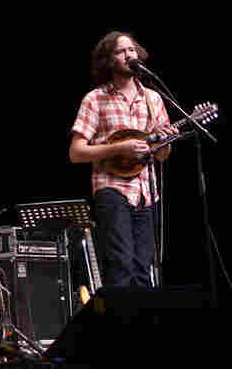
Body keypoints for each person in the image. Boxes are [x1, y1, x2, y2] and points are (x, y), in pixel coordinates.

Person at [69, 31, 176, 288]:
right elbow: (76, 152)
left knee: (144, 269)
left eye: (131, 50)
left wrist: (163, 141)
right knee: (121, 265)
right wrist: (120, 148)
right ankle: (118, 326)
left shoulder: (153, 99)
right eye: (120, 51)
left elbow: (162, 155)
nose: (128, 55)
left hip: (146, 193)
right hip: (112, 188)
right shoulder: (95, 99)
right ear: (109, 60)